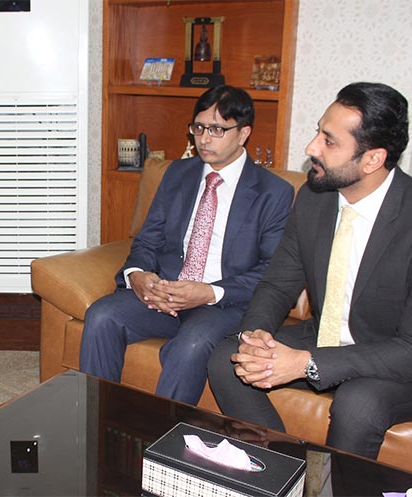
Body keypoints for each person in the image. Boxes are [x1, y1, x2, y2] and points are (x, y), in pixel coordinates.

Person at [207, 82, 412, 460]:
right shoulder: (314, 198)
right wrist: (256, 336)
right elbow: (278, 284)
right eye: (317, 132)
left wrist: (305, 363)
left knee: (359, 403)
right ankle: (283, 470)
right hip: (327, 338)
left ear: (372, 159)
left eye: (329, 141)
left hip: (403, 362)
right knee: (229, 360)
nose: (311, 148)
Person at [79, 85, 294, 405]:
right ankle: (97, 419)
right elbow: (147, 239)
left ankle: (160, 441)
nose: (204, 138)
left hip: (222, 304)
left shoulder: (273, 192)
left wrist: (208, 292)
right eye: (199, 128)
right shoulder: (177, 174)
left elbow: (270, 271)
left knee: (191, 345)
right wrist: (137, 275)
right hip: (166, 293)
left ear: (243, 133)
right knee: (102, 315)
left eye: (218, 129)